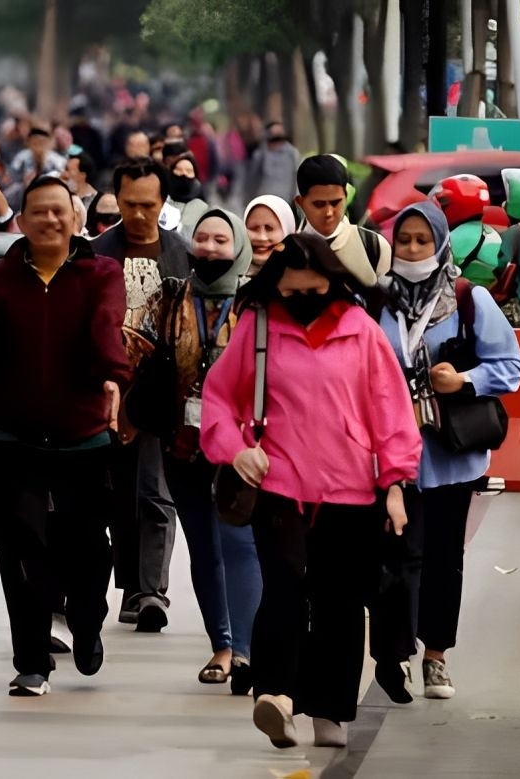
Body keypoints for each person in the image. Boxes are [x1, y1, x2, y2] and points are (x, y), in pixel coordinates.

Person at [200, 233, 422, 750]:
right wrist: (236, 449)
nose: (302, 302)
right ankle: (276, 696)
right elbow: (218, 400)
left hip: (352, 494)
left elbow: (391, 414)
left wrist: (394, 485)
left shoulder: (362, 332)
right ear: (275, 287)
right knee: (282, 589)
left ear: (334, 284)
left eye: (314, 291)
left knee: (340, 604)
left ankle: (331, 712)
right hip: (278, 487)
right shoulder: (256, 328)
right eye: (291, 292)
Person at [0, 175, 130, 697]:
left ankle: (87, 619)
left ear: (76, 219)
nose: (50, 221)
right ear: (23, 219)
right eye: (39, 212)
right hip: (17, 438)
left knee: (89, 552)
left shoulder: (101, 273)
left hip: (85, 437)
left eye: (61, 211)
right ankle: (31, 660)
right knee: (20, 549)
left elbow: (106, 327)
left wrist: (113, 376)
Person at [369, 202, 520, 703]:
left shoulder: (467, 298)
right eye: (405, 240)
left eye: (422, 240)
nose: (412, 250)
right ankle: (394, 657)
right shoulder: (378, 302)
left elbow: (510, 366)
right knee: (396, 558)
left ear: (439, 243)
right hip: (392, 457)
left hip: (451, 457)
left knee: (442, 561)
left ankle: (436, 654)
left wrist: (464, 379)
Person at [159, 208, 262, 694]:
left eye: (222, 239)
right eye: (202, 238)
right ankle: (220, 645)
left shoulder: (255, 304)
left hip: (238, 446)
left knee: (239, 544)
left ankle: (244, 649)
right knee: (203, 550)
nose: (210, 247)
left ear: (238, 247)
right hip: (180, 443)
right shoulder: (173, 296)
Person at [91, 157, 188, 632]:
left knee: (155, 492)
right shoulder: (94, 256)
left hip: (161, 395)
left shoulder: (182, 256)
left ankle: (151, 589)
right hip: (103, 394)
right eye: (129, 204)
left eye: (148, 205)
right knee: (110, 495)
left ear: (163, 203)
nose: (138, 214)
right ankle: (129, 582)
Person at [296, 154, 392, 290]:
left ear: (346, 196)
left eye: (336, 203)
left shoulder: (373, 245)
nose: (329, 212)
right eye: (319, 204)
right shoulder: (290, 250)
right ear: (300, 202)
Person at [245, 122, 300, 206]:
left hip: (285, 202)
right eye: (274, 136)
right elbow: (252, 179)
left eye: (280, 135)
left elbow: (296, 178)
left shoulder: (292, 154)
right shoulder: (260, 155)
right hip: (264, 201)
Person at [244, 195, 296, 277]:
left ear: (288, 231)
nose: (262, 237)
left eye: (269, 228)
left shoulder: (301, 282)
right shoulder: (228, 281)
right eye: (254, 228)